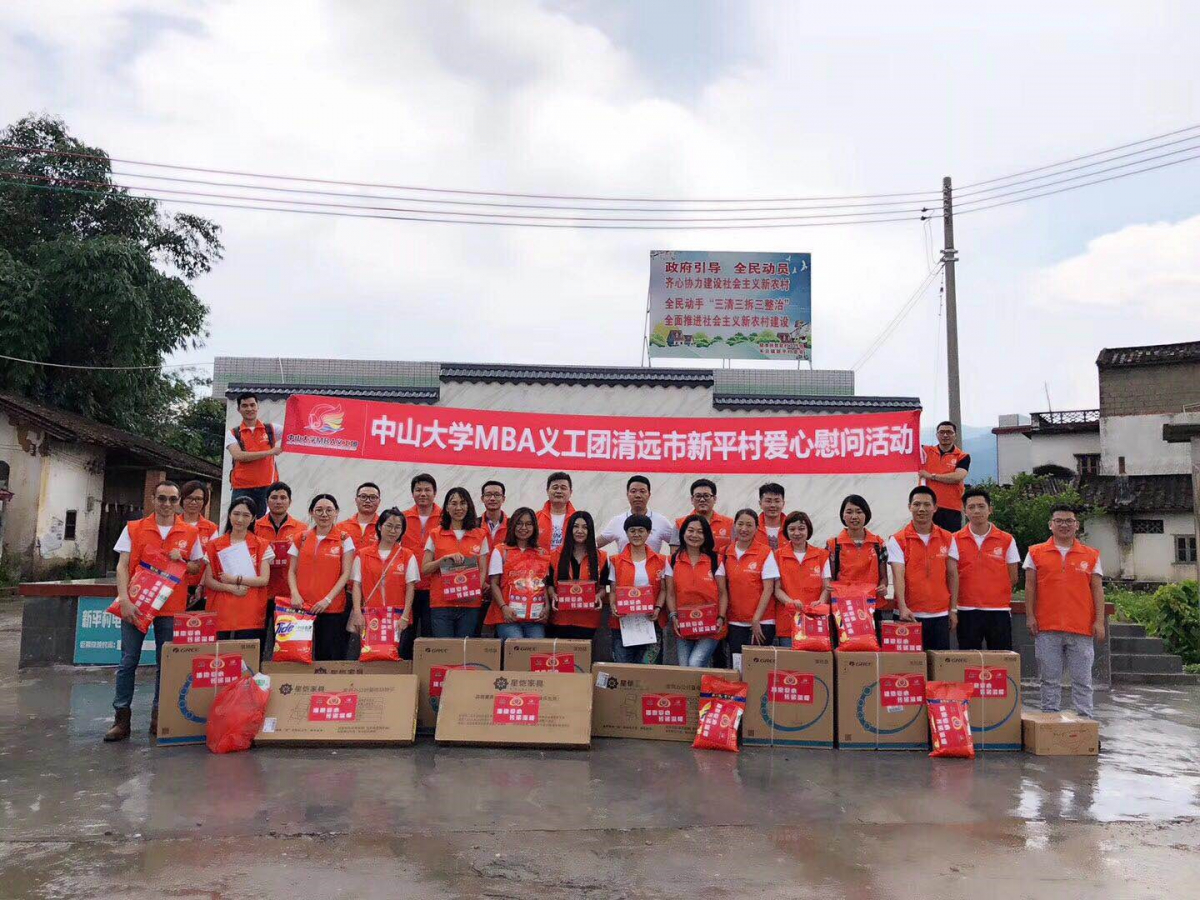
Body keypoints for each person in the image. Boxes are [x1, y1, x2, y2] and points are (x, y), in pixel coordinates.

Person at [103, 481, 205, 742]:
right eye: (162, 498)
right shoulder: (134, 528)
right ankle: (121, 718)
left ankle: (160, 717)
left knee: (166, 663)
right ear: (152, 499)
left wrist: (183, 561)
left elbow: (197, 566)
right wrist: (124, 599)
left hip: (171, 606)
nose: (167, 504)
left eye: (172, 499)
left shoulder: (189, 532)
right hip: (136, 603)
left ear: (178, 502)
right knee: (128, 661)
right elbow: (122, 566)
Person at [1024, 505, 1105, 718]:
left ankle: (1085, 721)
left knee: (1082, 681)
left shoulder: (1091, 555)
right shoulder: (1035, 552)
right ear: (1051, 525)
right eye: (1059, 521)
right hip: (1046, 627)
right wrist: (1030, 616)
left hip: (1081, 628)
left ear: (1077, 525)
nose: (1064, 525)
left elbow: (1097, 589)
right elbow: (1030, 587)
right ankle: (1049, 722)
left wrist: (1099, 621)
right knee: (1049, 680)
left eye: (1069, 521)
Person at [889, 486, 959, 651]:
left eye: (927, 504)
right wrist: (902, 607)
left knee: (938, 665)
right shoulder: (898, 539)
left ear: (935, 508)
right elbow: (898, 575)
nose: (922, 509)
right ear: (909, 507)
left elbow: (952, 575)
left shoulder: (948, 537)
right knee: (908, 665)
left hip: (940, 615)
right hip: (908, 615)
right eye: (917, 504)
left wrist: (953, 609)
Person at [287, 494, 355, 661]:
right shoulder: (301, 538)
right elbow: (291, 571)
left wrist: (327, 600)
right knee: (299, 655)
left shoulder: (344, 539)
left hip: (331, 608)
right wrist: (294, 594)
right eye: (319, 510)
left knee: (327, 656)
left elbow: (346, 573)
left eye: (329, 510)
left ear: (336, 512)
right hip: (302, 607)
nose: (324, 514)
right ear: (311, 512)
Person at [203, 497, 272, 654]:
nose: (240, 519)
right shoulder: (214, 545)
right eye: (236, 514)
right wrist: (231, 588)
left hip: (250, 611)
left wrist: (235, 580)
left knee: (248, 660)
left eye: (246, 515)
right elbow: (208, 580)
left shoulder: (262, 545)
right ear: (229, 515)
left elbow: (264, 580)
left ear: (253, 518)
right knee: (219, 659)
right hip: (221, 610)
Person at [349, 508, 420, 659]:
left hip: (397, 617)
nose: (393, 531)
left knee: (396, 657)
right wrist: (357, 613)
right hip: (370, 616)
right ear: (380, 526)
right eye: (389, 526)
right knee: (369, 656)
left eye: (398, 527)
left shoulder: (407, 555)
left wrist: (405, 616)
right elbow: (356, 585)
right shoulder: (363, 554)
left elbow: (410, 587)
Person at [954, 487, 1020, 651]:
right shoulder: (954, 539)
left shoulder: (1006, 539)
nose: (977, 511)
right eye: (971, 507)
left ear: (990, 509)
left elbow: (1013, 576)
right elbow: (951, 575)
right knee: (969, 661)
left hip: (998, 611)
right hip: (967, 610)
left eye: (981, 506)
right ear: (965, 511)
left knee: (1000, 661)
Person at [422, 486, 489, 638]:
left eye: (463, 503)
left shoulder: (480, 535)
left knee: (464, 649)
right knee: (444, 648)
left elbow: (482, 570)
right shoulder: (435, 534)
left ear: (469, 506)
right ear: (446, 507)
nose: (458, 508)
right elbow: (425, 568)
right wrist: (442, 560)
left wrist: (473, 591)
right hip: (441, 604)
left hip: (470, 605)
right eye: (453, 503)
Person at [608, 513, 671, 664]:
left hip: (651, 622)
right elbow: (613, 589)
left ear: (648, 533)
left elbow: (664, 589)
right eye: (632, 530)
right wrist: (613, 606)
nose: (636, 534)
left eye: (641, 530)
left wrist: (657, 608)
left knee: (649, 668)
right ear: (626, 533)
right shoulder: (616, 561)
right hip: (624, 624)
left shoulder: (662, 560)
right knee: (623, 668)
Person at [666, 514, 728, 667]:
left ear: (706, 535)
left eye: (700, 532)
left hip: (711, 624)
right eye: (691, 530)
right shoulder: (672, 560)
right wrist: (674, 616)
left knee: (695, 663)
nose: (694, 535)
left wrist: (721, 617)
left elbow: (723, 593)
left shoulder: (716, 560)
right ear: (683, 533)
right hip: (684, 624)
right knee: (684, 667)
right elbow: (670, 593)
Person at [823, 494, 890, 631]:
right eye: (849, 512)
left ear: (866, 514)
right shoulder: (833, 545)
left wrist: (883, 587)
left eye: (859, 512)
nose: (854, 516)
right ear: (842, 516)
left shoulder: (878, 543)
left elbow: (884, 577)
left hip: (872, 606)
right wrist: (828, 586)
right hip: (843, 607)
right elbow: (828, 578)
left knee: (872, 643)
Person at [486, 507, 554, 640]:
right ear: (512, 525)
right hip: (508, 616)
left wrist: (547, 607)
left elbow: (543, 584)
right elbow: (494, 584)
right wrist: (504, 607)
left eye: (528, 524)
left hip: (534, 617)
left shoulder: (542, 553)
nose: (524, 528)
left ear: (534, 527)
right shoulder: (501, 551)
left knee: (536, 648)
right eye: (519, 523)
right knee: (516, 647)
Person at [723, 509, 780, 656]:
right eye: (740, 524)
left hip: (763, 621)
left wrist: (756, 618)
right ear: (734, 526)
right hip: (735, 620)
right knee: (737, 662)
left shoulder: (765, 552)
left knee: (758, 663)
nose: (744, 529)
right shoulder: (725, 552)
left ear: (757, 528)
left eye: (749, 525)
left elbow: (769, 589)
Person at [549, 511, 609, 641]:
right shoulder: (555, 555)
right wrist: (553, 595)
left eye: (585, 527)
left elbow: (603, 588)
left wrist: (598, 596)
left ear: (590, 531)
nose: (580, 531)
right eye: (576, 526)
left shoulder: (601, 557)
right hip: (561, 618)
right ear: (570, 529)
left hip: (588, 619)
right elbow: (549, 584)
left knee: (583, 653)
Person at [773, 511, 830, 647]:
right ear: (786, 531)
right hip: (788, 621)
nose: (797, 533)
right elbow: (776, 589)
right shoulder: (777, 555)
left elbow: (827, 587)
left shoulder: (822, 555)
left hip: (815, 618)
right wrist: (790, 602)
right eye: (792, 529)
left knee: (814, 658)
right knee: (789, 659)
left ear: (808, 530)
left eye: (801, 528)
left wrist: (821, 602)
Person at [225, 392, 284, 517]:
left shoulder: (271, 429)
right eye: (245, 406)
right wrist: (270, 452)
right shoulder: (233, 433)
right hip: (242, 488)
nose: (249, 409)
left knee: (265, 524)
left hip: (267, 487)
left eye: (252, 405)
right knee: (240, 522)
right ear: (238, 409)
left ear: (258, 407)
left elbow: (295, 433)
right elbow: (239, 456)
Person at [402, 473, 441, 638]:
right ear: (412, 493)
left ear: (435, 493)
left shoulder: (445, 518)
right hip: (406, 587)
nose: (423, 494)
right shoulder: (402, 518)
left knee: (429, 636)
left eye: (427, 490)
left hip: (434, 588)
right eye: (418, 490)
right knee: (405, 635)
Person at [599, 476, 678, 554]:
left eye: (642, 491)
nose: (638, 495)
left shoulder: (661, 521)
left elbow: (679, 544)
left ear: (649, 495)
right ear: (627, 494)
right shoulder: (617, 521)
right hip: (624, 562)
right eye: (633, 491)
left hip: (653, 562)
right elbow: (595, 544)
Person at [919, 420, 971, 532]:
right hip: (928, 506)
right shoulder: (926, 451)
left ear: (955, 435)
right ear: (937, 435)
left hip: (951, 508)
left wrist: (931, 476)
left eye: (949, 432)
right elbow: (908, 446)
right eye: (942, 432)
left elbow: (958, 477)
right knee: (927, 539)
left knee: (949, 540)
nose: (945, 435)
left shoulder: (962, 456)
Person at [178, 480, 218, 610]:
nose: (193, 502)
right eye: (189, 498)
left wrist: (202, 585)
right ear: (182, 499)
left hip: (201, 588)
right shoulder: (173, 524)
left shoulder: (211, 528)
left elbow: (212, 561)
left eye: (198, 499)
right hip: (174, 584)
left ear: (204, 501)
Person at [675, 478, 733, 550]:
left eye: (706, 496)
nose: (702, 500)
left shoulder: (730, 524)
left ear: (714, 499)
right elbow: (675, 553)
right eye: (698, 496)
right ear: (692, 500)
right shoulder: (680, 523)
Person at [537, 472, 576, 552]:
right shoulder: (535, 518)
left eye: (563, 488)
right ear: (547, 491)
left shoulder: (577, 519)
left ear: (570, 492)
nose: (559, 491)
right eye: (555, 488)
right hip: (541, 559)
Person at [339, 482, 382, 551]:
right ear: (356, 500)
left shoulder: (384, 528)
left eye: (373, 497)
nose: (367, 501)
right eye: (363, 497)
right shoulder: (341, 527)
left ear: (379, 501)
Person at [754, 483, 787, 550]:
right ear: (760, 504)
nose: (773, 505)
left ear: (783, 503)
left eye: (777, 501)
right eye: (768, 501)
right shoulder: (752, 527)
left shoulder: (791, 527)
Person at [480, 480, 509, 545]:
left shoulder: (512, 525)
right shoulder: (474, 525)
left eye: (497, 495)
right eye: (488, 495)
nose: (492, 498)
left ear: (503, 499)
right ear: (482, 499)